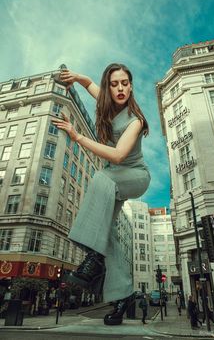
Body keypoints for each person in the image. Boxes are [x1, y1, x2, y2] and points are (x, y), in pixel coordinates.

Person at [52, 64, 150, 326]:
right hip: (111, 180)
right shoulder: (107, 105)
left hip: (133, 176)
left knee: (101, 177)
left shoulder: (135, 120)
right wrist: (78, 77)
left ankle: (94, 257)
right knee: (108, 234)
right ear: (109, 87)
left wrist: (77, 136)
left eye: (125, 83)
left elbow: (118, 156)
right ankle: (122, 297)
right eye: (114, 83)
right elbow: (89, 85)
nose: (120, 88)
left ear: (131, 86)